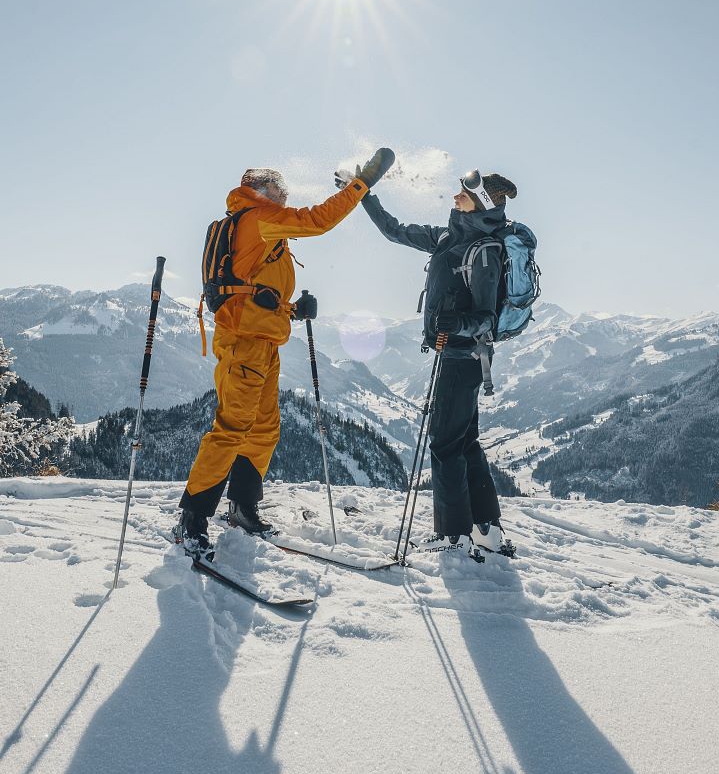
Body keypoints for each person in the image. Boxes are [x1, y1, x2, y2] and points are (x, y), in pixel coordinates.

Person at [175, 148, 395, 557]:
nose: (286, 199)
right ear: (260, 189)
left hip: (262, 341)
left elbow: (257, 291)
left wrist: (292, 309)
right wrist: (360, 185)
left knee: (262, 430)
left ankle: (242, 508)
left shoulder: (257, 225)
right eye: (281, 191)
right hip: (244, 343)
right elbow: (318, 220)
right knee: (231, 428)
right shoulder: (258, 218)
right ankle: (192, 517)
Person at [355, 167, 517, 556]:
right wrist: (361, 194)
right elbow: (395, 230)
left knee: (445, 444)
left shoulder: (485, 251)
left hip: (463, 358)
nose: (454, 196)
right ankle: (485, 531)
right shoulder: (449, 238)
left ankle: (453, 535)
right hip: (455, 354)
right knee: (465, 443)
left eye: (462, 193)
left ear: (480, 202)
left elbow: (487, 321)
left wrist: (456, 322)